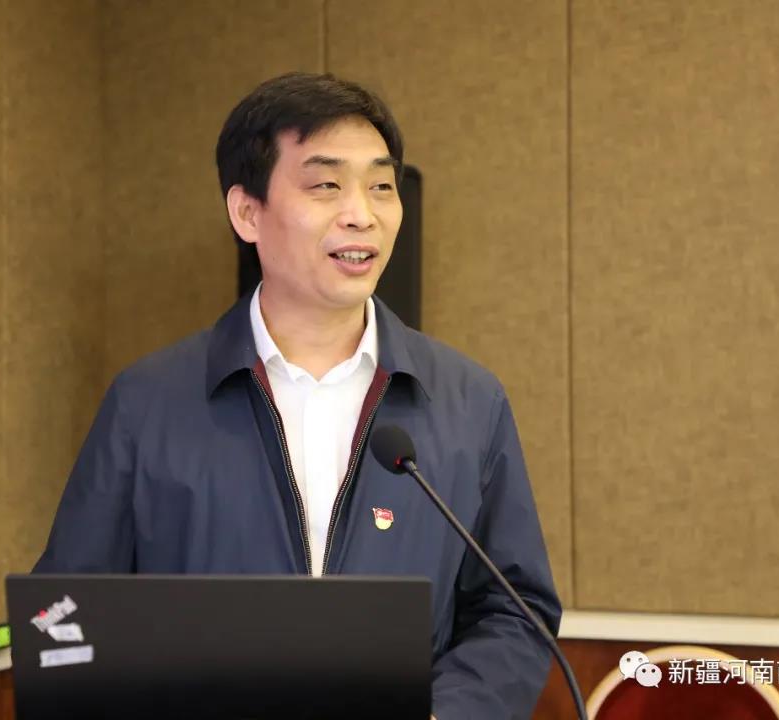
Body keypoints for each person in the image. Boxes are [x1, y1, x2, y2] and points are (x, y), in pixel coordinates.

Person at [34, 71, 562, 720]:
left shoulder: (468, 401)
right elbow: (62, 617)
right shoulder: (147, 403)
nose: (362, 213)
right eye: (326, 185)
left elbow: (515, 609)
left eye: (381, 186)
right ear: (247, 213)